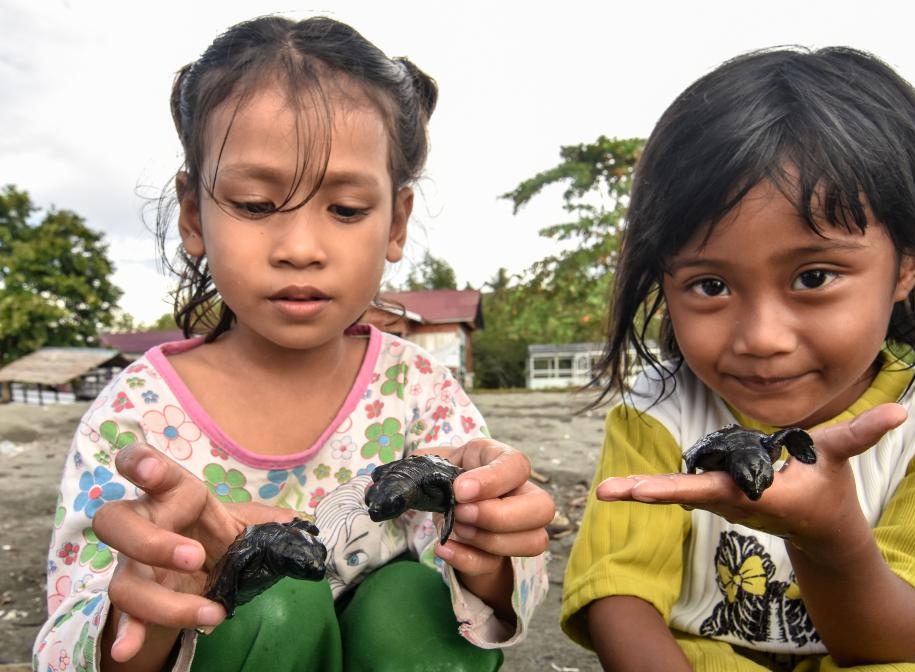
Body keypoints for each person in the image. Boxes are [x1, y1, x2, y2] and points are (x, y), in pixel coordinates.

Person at [34, 15, 553, 672]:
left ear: (397, 222)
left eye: (345, 210)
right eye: (255, 204)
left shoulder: (422, 395)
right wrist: (151, 606)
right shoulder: (134, 420)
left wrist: (493, 546)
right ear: (194, 215)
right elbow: (67, 639)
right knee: (273, 599)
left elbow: (494, 609)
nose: (302, 249)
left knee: (409, 603)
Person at [560, 45, 915, 671]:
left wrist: (829, 537)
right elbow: (617, 594)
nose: (762, 337)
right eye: (711, 286)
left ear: (906, 263)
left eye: (815, 275)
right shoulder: (660, 408)